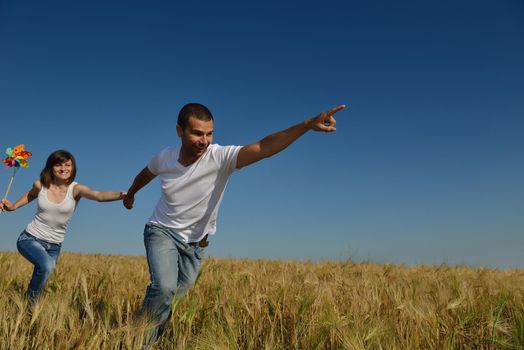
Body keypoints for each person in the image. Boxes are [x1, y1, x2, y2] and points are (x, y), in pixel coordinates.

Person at [123, 102, 345, 346]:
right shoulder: (164, 157)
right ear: (180, 131)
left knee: (173, 297)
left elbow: (263, 147)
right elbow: (146, 173)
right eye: (197, 133)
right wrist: (132, 193)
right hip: (161, 230)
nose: (204, 141)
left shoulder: (220, 157)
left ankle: (147, 331)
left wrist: (305, 126)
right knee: (163, 288)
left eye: (209, 134)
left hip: (195, 244)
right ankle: (139, 342)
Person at [1, 149, 126, 304]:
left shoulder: (76, 189)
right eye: (58, 165)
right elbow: (31, 195)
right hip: (30, 238)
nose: (63, 169)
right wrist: (13, 206)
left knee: (42, 273)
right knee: (46, 267)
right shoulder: (40, 185)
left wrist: (121, 195)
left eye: (68, 165)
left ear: (73, 168)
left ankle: (28, 307)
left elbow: (98, 195)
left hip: (54, 245)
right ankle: (30, 306)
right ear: (51, 167)